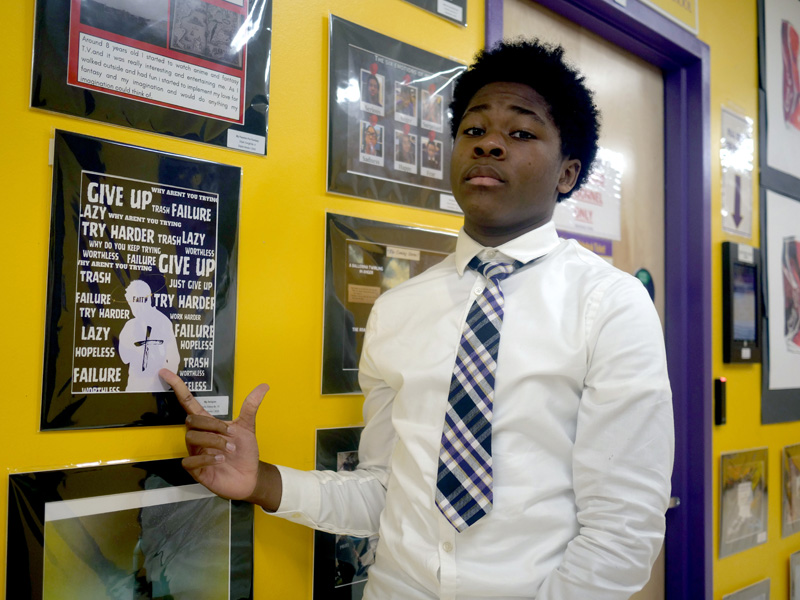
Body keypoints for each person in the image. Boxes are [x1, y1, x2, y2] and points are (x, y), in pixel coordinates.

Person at [160, 38, 674, 599]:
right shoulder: (398, 310)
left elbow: (622, 532)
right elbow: (386, 492)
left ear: (567, 173)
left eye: (522, 133)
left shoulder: (611, 304)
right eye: (473, 130)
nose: (489, 144)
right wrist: (263, 482)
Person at [119, 279, 179, 392]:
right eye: (131, 302)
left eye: (138, 300)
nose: (135, 307)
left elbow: (174, 358)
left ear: (149, 300)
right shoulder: (130, 326)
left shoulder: (164, 323)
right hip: (134, 389)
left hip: (158, 390)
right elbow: (124, 358)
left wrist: (163, 385)